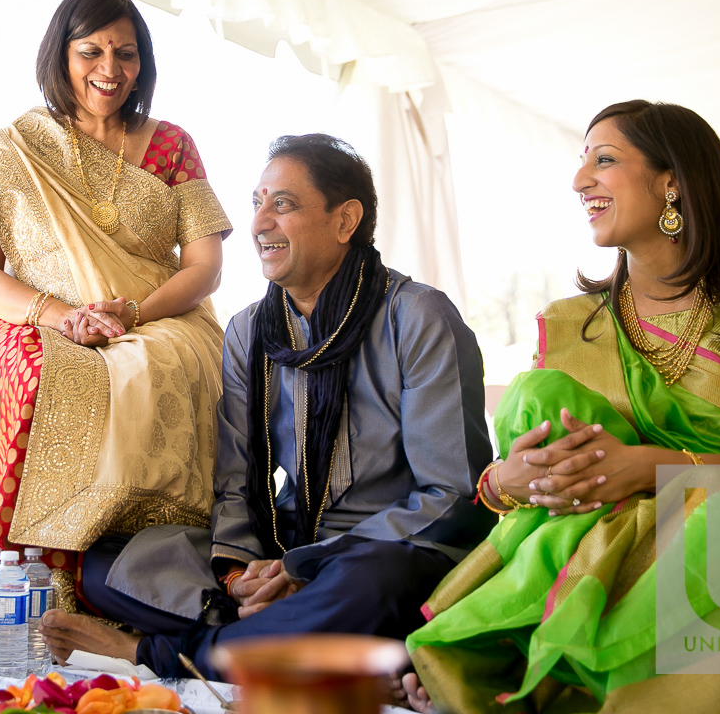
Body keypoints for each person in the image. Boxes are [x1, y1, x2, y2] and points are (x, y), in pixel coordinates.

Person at [401, 100, 720, 713]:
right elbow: (517, 484)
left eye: (604, 160)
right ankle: (526, 656)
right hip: (581, 527)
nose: (580, 181)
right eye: (582, 163)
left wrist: (651, 466)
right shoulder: (570, 323)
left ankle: (551, 666)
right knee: (538, 399)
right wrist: (509, 480)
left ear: (673, 181)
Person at [38, 133, 493, 678]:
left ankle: (161, 652)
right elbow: (237, 479)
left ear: (346, 220)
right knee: (111, 564)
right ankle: (269, 628)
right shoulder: (250, 330)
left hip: (384, 552)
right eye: (257, 204)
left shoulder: (417, 317)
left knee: (372, 585)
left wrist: (307, 567)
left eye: (284, 204)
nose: (257, 225)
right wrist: (240, 574)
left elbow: (451, 496)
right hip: (287, 546)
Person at [0, 0, 232, 607]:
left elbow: (206, 266)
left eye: (126, 53)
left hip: (158, 318)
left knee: (165, 369)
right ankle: (31, 581)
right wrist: (61, 316)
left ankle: (144, 584)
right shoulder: (20, 150)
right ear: (62, 56)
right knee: (45, 379)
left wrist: (133, 312)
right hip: (42, 319)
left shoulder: (171, 144)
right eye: (92, 51)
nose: (110, 70)